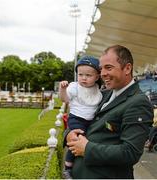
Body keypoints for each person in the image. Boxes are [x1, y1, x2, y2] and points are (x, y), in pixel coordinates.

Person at [66, 45, 154, 179]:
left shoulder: (138, 102)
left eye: (109, 67)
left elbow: (130, 152)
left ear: (127, 68)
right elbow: (81, 117)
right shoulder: (103, 94)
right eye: (101, 69)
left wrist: (87, 149)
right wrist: (69, 134)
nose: (102, 74)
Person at [59, 56, 103, 179]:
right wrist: (63, 89)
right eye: (80, 74)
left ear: (97, 77)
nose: (83, 78)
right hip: (77, 119)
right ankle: (67, 168)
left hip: (91, 121)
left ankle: (81, 164)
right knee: (78, 141)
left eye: (88, 75)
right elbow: (65, 99)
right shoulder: (74, 87)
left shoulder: (97, 89)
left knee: (88, 141)